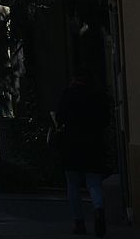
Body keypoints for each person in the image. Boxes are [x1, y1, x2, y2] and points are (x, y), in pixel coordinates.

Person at [55, 68, 109, 237]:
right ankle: (98, 209)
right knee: (94, 183)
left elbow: (59, 117)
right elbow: (106, 119)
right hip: (93, 145)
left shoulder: (68, 94)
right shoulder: (97, 95)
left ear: (74, 78)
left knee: (73, 185)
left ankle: (79, 222)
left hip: (72, 146)